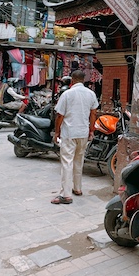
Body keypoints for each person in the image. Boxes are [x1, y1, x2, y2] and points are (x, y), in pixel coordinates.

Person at [51, 69, 98, 204]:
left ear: (72, 80)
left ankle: (66, 194)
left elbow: (60, 115)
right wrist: (91, 130)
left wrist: (57, 131)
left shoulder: (67, 94)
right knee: (79, 160)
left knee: (67, 162)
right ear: (83, 80)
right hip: (83, 132)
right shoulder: (91, 94)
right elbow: (93, 114)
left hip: (69, 133)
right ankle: (77, 188)